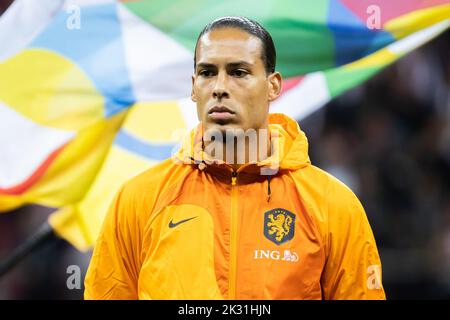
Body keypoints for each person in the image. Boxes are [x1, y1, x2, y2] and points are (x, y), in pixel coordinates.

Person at [84, 16, 386, 300]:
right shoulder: (139, 199)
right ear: (193, 87)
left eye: (238, 72)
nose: (219, 88)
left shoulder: (332, 205)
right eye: (207, 73)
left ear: (273, 85)